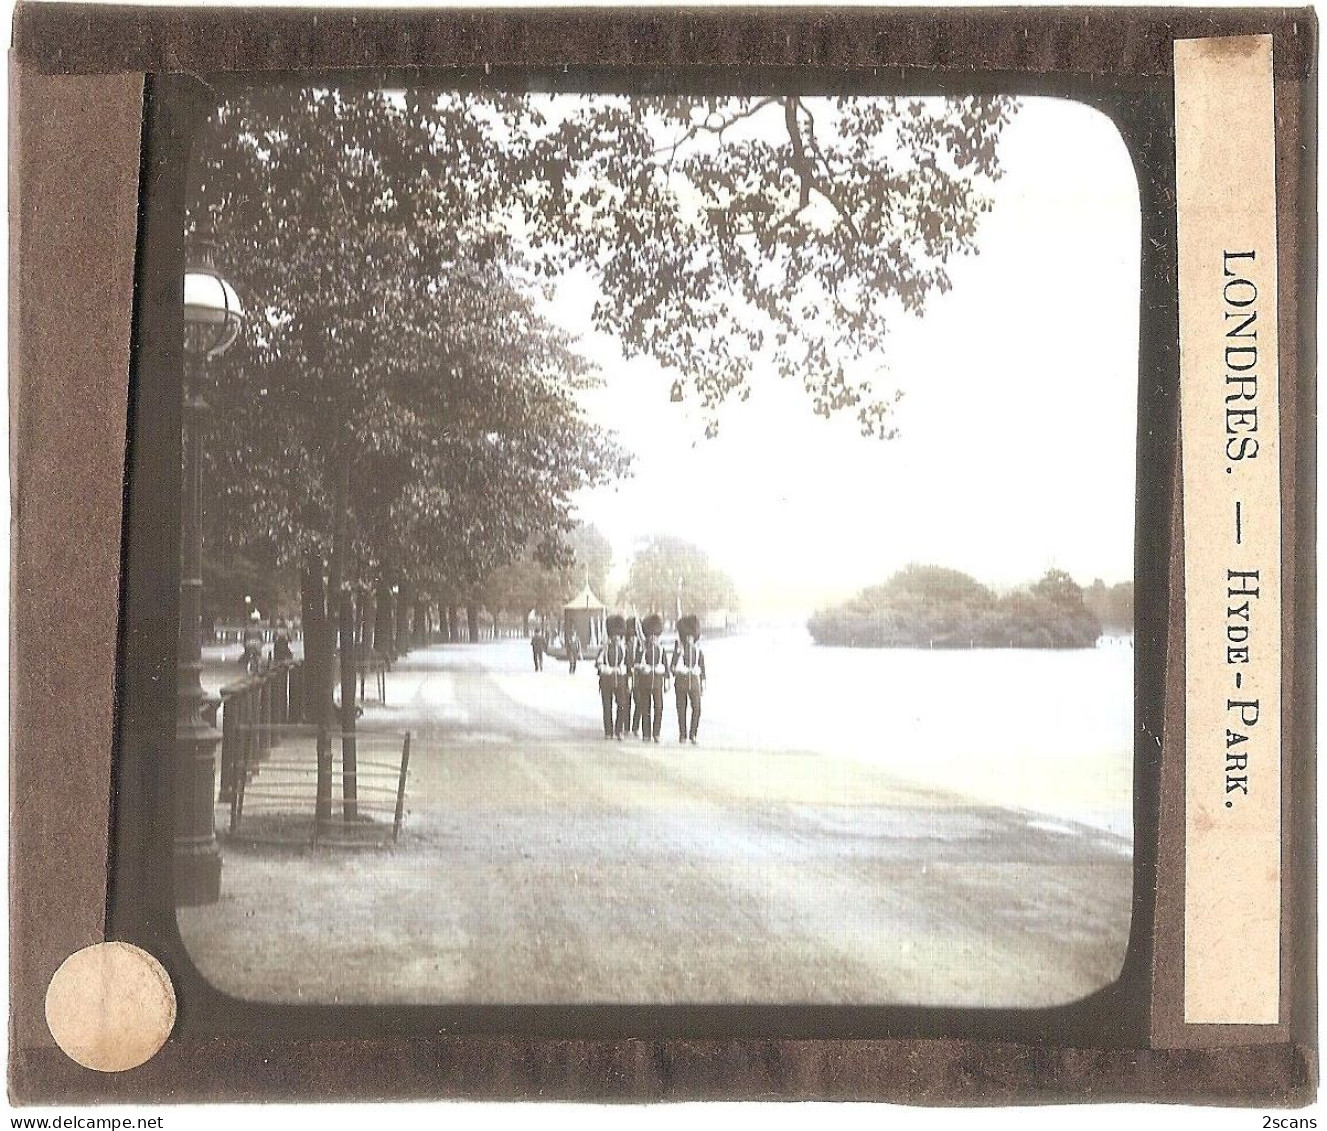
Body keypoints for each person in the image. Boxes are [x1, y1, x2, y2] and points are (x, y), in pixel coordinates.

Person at [672, 614, 706, 744]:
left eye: (691, 637)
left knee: (697, 708)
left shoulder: (698, 651)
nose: (689, 640)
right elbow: (673, 668)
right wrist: (678, 654)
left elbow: (702, 668)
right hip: (681, 681)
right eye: (687, 637)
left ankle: (693, 734)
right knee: (681, 709)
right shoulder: (679, 650)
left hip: (695, 683)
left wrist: (703, 684)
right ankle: (683, 734)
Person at [635, 613, 670, 743]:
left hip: (658, 682)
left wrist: (667, 681)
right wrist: (643, 667)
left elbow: (665, 666)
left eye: (655, 635)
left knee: (659, 707)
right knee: (646, 708)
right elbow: (636, 665)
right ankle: (646, 733)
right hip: (645, 682)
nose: (653, 638)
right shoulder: (642, 649)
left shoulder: (661, 650)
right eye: (651, 635)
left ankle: (656, 733)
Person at [595, 615, 631, 739]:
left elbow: (628, 664)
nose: (616, 638)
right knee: (607, 706)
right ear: (611, 636)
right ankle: (608, 731)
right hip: (607, 681)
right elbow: (598, 664)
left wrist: (624, 671)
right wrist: (606, 669)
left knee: (622, 705)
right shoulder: (604, 649)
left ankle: (618, 730)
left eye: (618, 635)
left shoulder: (624, 649)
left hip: (621, 681)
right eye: (614, 635)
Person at [624, 616, 645, 736]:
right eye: (631, 637)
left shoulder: (641, 648)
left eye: (634, 636)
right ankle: (626, 727)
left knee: (639, 703)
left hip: (638, 678)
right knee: (626, 703)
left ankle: (635, 727)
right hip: (627, 676)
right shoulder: (625, 647)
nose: (633, 639)